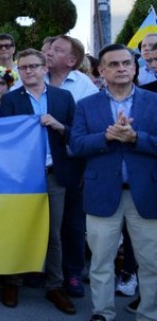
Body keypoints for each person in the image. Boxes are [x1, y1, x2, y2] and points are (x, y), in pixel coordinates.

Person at [70, 44, 157, 321]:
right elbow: (76, 144)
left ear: (134, 68)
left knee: (151, 263)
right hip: (101, 193)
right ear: (101, 70)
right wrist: (106, 137)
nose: (121, 68)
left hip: (145, 192)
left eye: (126, 63)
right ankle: (103, 312)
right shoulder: (86, 105)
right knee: (100, 262)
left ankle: (148, 314)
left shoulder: (154, 102)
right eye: (114, 64)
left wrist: (136, 138)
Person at [0, 49, 76, 314]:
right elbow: (4, 138)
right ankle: (13, 281)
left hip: (55, 174)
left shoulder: (64, 98)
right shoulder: (9, 100)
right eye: (23, 67)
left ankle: (55, 286)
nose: (28, 71)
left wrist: (58, 125)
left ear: (45, 68)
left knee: (53, 233)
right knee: (19, 230)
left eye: (33, 66)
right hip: (22, 177)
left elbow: (76, 136)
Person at [45, 34, 99, 298]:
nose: (49, 53)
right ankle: (42, 271)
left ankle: (73, 274)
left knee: (73, 223)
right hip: (37, 166)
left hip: (72, 164)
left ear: (72, 60)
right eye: (50, 48)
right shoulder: (32, 80)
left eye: (57, 50)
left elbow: (91, 126)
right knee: (42, 223)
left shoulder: (85, 86)